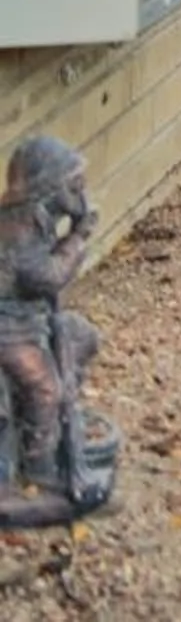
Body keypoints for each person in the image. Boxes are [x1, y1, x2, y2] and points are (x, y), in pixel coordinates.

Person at [0, 135, 106, 521]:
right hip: (8, 329)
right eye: (73, 185)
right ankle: (42, 466)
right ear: (49, 186)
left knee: (83, 337)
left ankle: (65, 427)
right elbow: (47, 277)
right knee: (44, 386)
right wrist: (77, 238)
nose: (80, 193)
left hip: (29, 320)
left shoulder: (36, 218)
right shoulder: (16, 230)